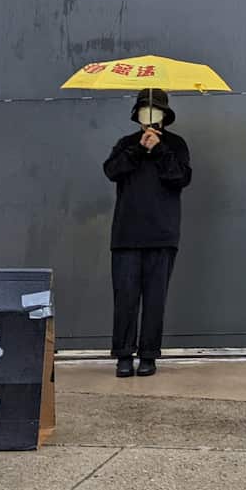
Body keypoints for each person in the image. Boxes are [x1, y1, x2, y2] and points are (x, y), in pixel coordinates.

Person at [103, 88, 192, 377]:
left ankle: (149, 355)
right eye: (145, 112)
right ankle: (123, 355)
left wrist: (160, 149)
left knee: (155, 299)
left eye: (154, 112)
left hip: (162, 234)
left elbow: (180, 178)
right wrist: (140, 149)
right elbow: (112, 171)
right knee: (125, 297)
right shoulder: (126, 144)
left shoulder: (176, 145)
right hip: (127, 234)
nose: (150, 118)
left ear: (165, 116)